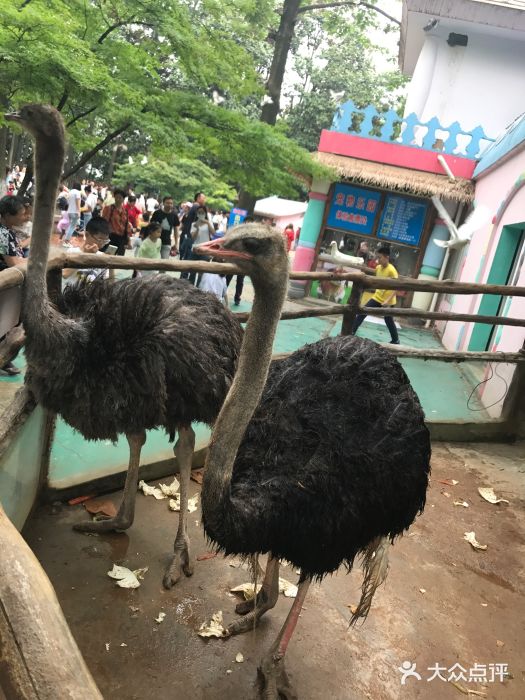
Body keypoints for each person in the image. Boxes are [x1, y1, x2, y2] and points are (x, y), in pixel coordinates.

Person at [352, 244, 400, 344]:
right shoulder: (378, 268)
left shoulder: (392, 270)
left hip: (388, 301)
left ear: (387, 257)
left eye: (380, 257)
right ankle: (351, 332)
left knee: (388, 320)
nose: (378, 260)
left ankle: (395, 340)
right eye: (377, 257)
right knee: (362, 312)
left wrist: (387, 301)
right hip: (377, 297)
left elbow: (397, 287)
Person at [62, 217, 111, 286]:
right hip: (72, 295)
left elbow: (107, 282)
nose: (102, 244)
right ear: (87, 235)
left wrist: (111, 263)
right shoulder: (72, 252)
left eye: (105, 241)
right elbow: (65, 274)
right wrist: (86, 255)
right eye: (100, 240)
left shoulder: (102, 256)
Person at [180, 192, 206, 278]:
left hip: (189, 236)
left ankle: (184, 278)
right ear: (198, 198)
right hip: (191, 236)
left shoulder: (193, 207)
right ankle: (184, 279)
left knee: (188, 258)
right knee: (189, 258)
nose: (205, 200)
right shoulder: (196, 207)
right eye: (203, 198)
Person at [101, 188, 133, 256]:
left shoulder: (125, 212)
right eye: (116, 197)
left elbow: (127, 227)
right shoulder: (108, 208)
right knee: (108, 257)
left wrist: (129, 240)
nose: (118, 199)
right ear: (114, 197)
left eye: (120, 198)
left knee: (119, 259)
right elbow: (104, 222)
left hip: (121, 239)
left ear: (123, 199)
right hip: (111, 237)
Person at [188, 205, 214, 286]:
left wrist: (208, 223)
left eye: (202, 212)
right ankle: (190, 287)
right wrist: (197, 228)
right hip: (195, 249)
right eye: (199, 212)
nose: (201, 214)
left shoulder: (208, 223)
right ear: (197, 213)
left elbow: (213, 233)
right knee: (192, 271)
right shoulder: (193, 224)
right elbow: (193, 237)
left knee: (202, 272)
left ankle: (199, 288)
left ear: (205, 213)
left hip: (205, 250)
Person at [151, 195, 180, 260]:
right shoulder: (157, 213)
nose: (169, 205)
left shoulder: (174, 215)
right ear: (163, 203)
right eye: (167, 203)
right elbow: (151, 226)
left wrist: (176, 243)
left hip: (166, 242)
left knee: (164, 262)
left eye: (171, 203)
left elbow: (176, 230)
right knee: (153, 260)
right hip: (155, 241)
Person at [64, 181, 81, 247]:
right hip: (75, 212)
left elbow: (68, 201)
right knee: (72, 227)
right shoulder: (77, 192)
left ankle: (66, 240)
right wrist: (79, 211)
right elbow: (78, 202)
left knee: (70, 226)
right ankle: (66, 241)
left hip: (69, 211)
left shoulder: (70, 192)